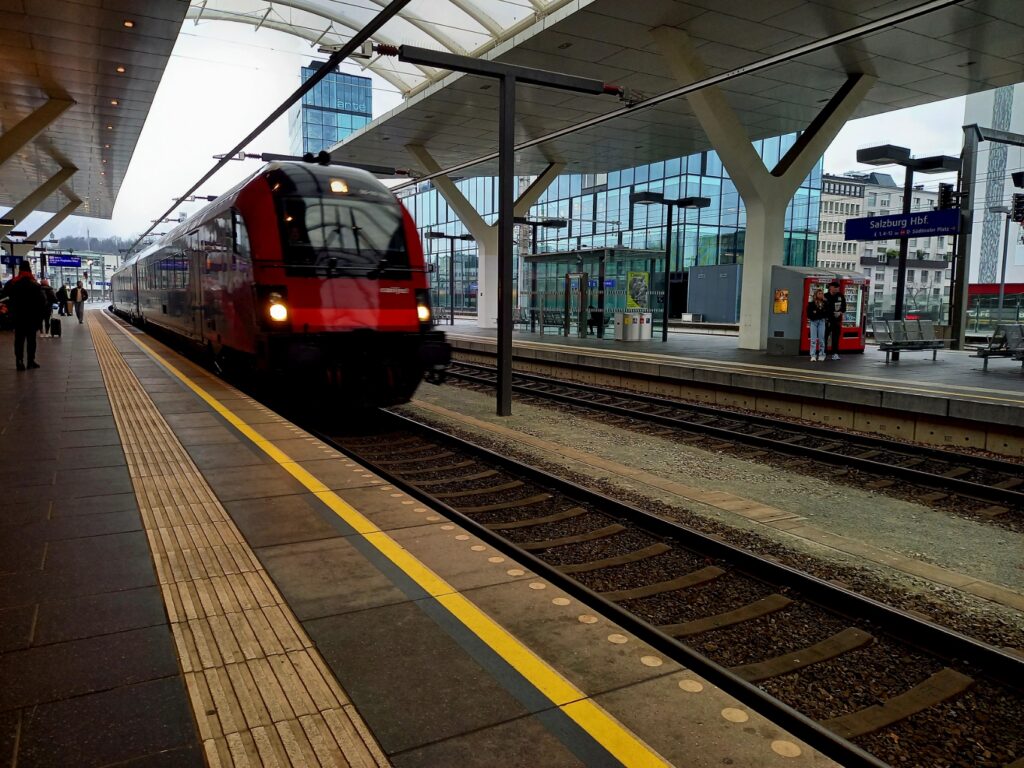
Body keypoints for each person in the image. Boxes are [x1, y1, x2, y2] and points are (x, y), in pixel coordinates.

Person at [1, 261, 47, 370]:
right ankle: (30, 361)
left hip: (17, 316)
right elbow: (42, 302)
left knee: (19, 340)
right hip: (32, 317)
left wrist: (10, 310)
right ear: (30, 270)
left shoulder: (12, 283)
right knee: (31, 340)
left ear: (20, 270)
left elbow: (3, 298)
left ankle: (19, 361)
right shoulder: (35, 284)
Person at [823, 280, 847, 360]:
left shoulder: (841, 296)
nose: (837, 289)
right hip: (827, 320)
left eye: (838, 287)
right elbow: (822, 308)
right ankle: (823, 352)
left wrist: (840, 312)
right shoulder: (825, 296)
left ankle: (835, 353)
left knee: (836, 338)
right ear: (830, 288)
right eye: (835, 287)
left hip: (837, 320)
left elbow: (844, 307)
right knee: (825, 337)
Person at [806, 288, 828, 362]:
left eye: (822, 293)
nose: (821, 295)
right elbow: (809, 314)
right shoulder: (811, 303)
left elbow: (827, 312)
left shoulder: (825, 303)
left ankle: (822, 354)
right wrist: (816, 314)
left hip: (822, 321)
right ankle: (813, 355)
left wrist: (817, 313)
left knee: (821, 339)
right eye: (819, 293)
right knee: (813, 339)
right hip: (813, 322)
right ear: (816, 295)